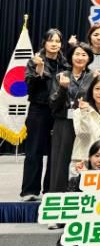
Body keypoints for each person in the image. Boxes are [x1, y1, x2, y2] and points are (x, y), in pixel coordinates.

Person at [50, 140, 100, 246]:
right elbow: (67, 211)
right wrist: (85, 178)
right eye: (97, 156)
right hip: (75, 233)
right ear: (89, 158)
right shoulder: (77, 180)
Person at [21, 28, 68, 200]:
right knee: (34, 150)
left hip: (58, 112)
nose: (54, 44)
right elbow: (30, 87)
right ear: (44, 42)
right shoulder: (35, 61)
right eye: (51, 40)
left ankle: (51, 189)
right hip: (39, 110)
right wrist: (39, 69)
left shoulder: (64, 63)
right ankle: (30, 191)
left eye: (57, 41)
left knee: (55, 152)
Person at [48, 43, 95, 194]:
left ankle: (83, 194)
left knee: (83, 159)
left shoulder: (94, 77)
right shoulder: (61, 76)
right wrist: (62, 88)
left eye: (84, 54)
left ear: (89, 58)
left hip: (85, 123)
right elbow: (53, 105)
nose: (80, 58)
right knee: (60, 161)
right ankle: (58, 195)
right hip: (64, 123)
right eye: (77, 54)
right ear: (71, 57)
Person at [70, 75, 100, 171]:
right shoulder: (79, 112)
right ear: (91, 91)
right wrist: (84, 113)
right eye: (97, 89)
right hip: (82, 162)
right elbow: (83, 135)